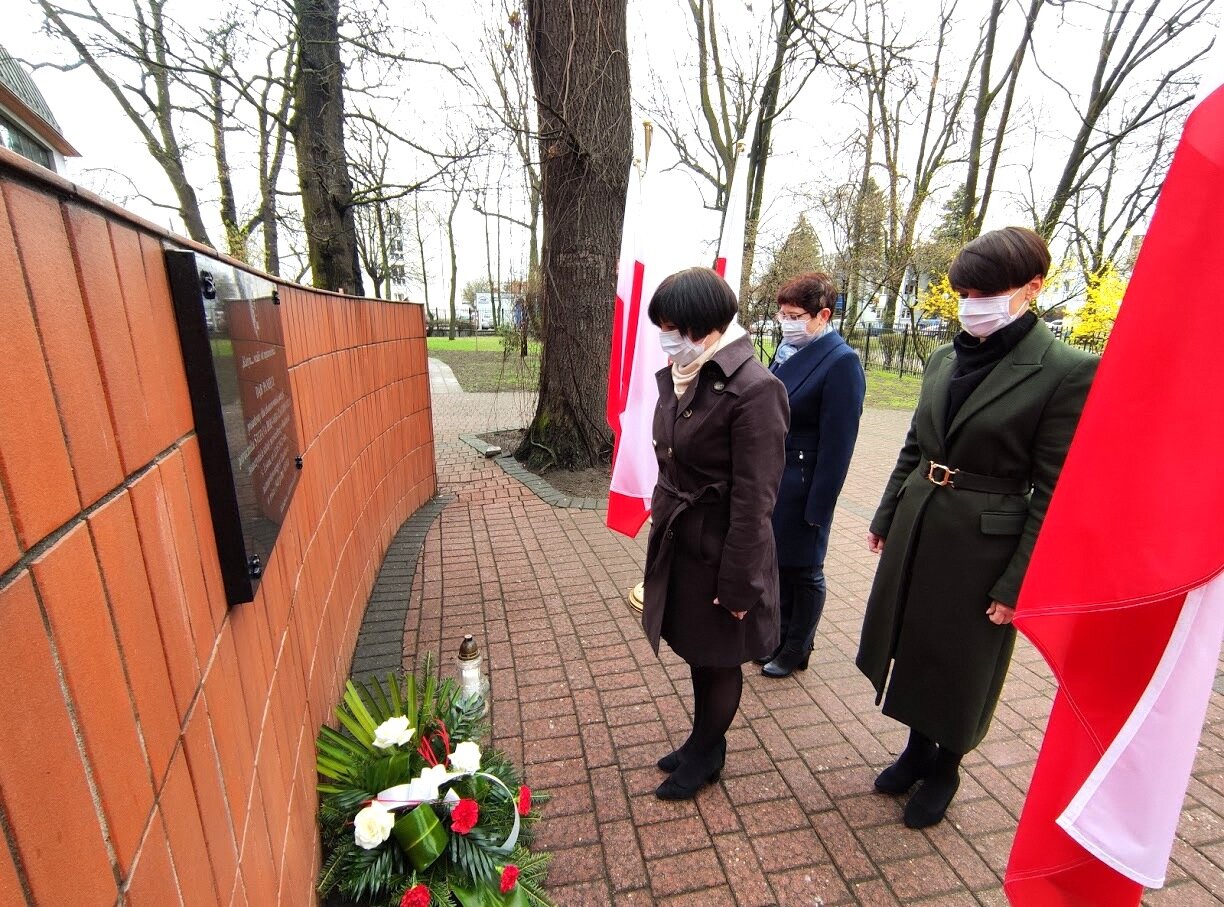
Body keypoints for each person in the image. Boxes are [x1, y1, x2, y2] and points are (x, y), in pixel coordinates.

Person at [856, 226, 1098, 829]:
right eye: (964, 294)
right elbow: (915, 445)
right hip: (920, 524)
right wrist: (886, 514)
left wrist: (1018, 583)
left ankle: (946, 766)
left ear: (1031, 288)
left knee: (962, 659)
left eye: (985, 294)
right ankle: (916, 750)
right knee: (914, 641)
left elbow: (1056, 489)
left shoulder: (1065, 370)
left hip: (985, 546)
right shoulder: (945, 357)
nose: (971, 306)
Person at [640, 267, 789, 800]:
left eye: (672, 328)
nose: (665, 338)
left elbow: (756, 499)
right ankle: (702, 741)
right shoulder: (685, 372)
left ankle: (707, 753)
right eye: (662, 326)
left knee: (720, 656)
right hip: (684, 540)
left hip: (724, 549)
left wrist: (741, 583)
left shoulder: (755, 389)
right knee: (699, 650)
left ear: (705, 326)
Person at [757, 273, 865, 678]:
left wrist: (820, 506)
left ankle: (797, 647)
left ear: (823, 315)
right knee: (779, 563)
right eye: (782, 314)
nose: (786, 323)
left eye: (795, 316)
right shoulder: (788, 350)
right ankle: (778, 637)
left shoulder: (841, 361)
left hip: (804, 483)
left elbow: (839, 445)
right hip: (776, 477)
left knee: (805, 569)